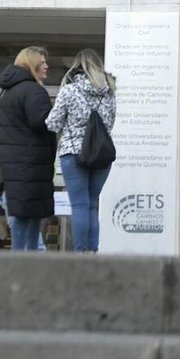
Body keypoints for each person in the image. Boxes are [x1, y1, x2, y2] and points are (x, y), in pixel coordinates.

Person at [46, 49, 118, 253]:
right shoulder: (110, 92)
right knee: (91, 205)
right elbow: (110, 124)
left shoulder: (69, 90)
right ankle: (92, 252)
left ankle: (79, 254)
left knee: (79, 205)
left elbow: (52, 124)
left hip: (73, 153)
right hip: (102, 154)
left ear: (78, 66)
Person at [0, 46, 56, 252]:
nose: (46, 66)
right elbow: (40, 123)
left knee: (23, 220)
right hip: (32, 164)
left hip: (17, 166)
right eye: (42, 62)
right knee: (29, 222)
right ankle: (27, 269)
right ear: (32, 64)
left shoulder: (8, 92)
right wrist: (58, 115)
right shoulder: (34, 91)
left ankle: (22, 267)